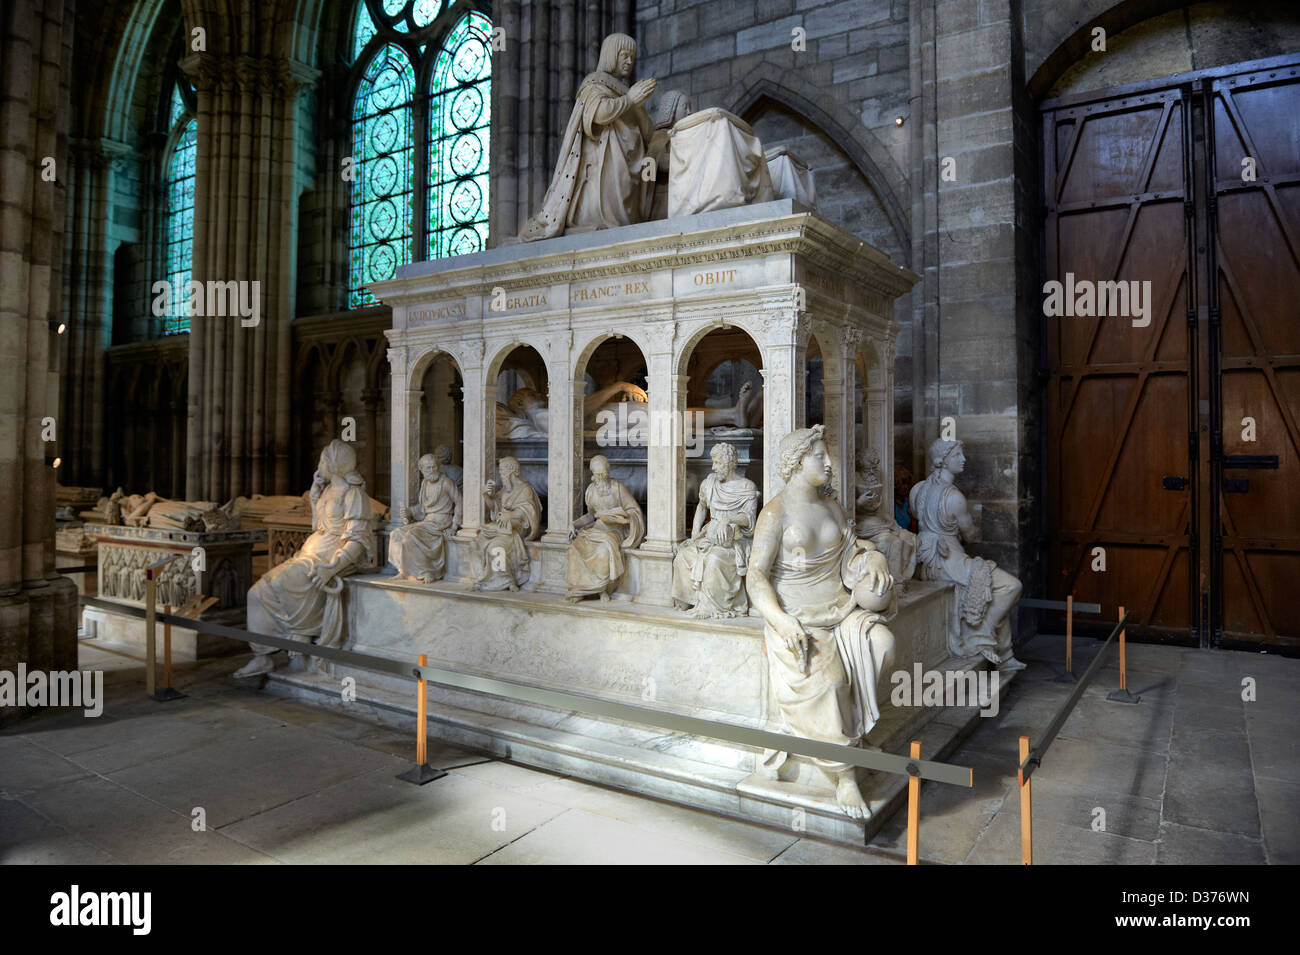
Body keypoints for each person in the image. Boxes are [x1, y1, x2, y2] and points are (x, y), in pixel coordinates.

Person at [746, 425, 896, 819]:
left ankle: (855, 735)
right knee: (830, 682)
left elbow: (852, 549)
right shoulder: (775, 513)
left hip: (841, 608)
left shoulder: (832, 505)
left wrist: (874, 557)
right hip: (799, 619)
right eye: (819, 456)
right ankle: (843, 776)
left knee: (883, 645)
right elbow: (756, 575)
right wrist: (779, 620)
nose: (829, 463)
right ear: (796, 463)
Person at [235, 440, 375, 677]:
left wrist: (334, 567)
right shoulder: (328, 490)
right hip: (309, 555)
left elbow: (359, 540)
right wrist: (315, 495)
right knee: (256, 593)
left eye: (323, 460)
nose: (319, 465)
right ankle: (262, 654)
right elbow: (317, 525)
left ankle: (300, 635)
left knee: (279, 583)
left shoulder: (354, 494)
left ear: (335, 463)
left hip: (327, 559)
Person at [520, 34, 657, 240]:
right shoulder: (595, 84)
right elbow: (599, 114)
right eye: (624, 55)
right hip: (607, 161)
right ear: (611, 56)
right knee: (611, 211)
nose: (630, 61)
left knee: (623, 214)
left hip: (628, 163)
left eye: (632, 57)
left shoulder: (624, 91)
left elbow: (645, 129)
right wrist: (629, 100)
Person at [910, 438, 1026, 671]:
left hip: (926, 559)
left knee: (990, 593)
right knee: (1010, 586)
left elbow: (915, 515)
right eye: (957, 455)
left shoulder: (918, 489)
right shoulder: (954, 497)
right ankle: (978, 636)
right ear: (942, 460)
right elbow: (971, 535)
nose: (963, 459)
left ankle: (1005, 656)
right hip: (948, 561)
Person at [672, 443, 759, 617]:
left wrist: (728, 519)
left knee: (713, 559)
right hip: (710, 535)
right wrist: (695, 536)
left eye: (718, 463)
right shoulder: (709, 483)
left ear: (730, 463)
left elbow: (749, 518)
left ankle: (712, 607)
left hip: (735, 539)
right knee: (683, 555)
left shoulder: (746, 487)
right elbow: (701, 508)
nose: (713, 467)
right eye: (713, 462)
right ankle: (690, 600)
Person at [565, 454, 645, 601]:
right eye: (597, 474)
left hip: (615, 531)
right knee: (574, 549)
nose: (601, 477)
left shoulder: (618, 488)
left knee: (603, 551)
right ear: (592, 474)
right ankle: (579, 590)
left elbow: (635, 511)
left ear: (608, 471)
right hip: (597, 529)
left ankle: (602, 589)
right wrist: (573, 524)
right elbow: (590, 516)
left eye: (603, 474)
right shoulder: (590, 491)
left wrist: (623, 519)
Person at [469, 457, 542, 591]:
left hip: (517, 528)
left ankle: (505, 581)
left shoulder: (524, 489)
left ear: (511, 472)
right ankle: (482, 577)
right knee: (475, 543)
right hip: (501, 527)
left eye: (502, 472)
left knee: (495, 548)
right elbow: (494, 508)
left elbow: (529, 510)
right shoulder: (504, 490)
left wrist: (511, 515)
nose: (501, 476)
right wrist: (485, 495)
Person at [389, 452, 462, 583]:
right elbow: (422, 508)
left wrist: (454, 526)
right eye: (427, 468)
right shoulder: (425, 484)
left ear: (438, 467)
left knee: (410, 537)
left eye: (434, 467)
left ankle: (427, 570)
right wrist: (409, 511)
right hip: (428, 521)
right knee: (396, 534)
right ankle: (404, 570)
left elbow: (460, 502)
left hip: (441, 521)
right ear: (421, 469)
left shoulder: (446, 483)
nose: (431, 470)